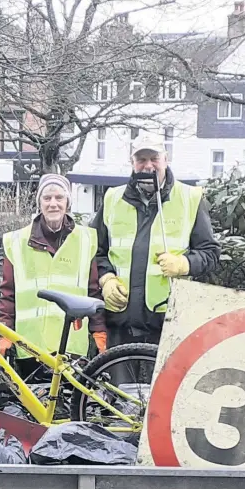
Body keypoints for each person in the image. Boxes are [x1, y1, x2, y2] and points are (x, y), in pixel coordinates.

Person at [92, 136, 220, 347]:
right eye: (141, 159)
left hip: (167, 321)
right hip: (119, 322)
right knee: (115, 382)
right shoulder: (112, 199)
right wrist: (106, 278)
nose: (148, 165)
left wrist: (184, 264)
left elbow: (210, 253)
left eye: (154, 158)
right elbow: (94, 250)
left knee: (166, 382)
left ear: (166, 160)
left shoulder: (190, 198)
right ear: (132, 163)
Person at [0, 173, 106, 378]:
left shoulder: (86, 239)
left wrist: (98, 331)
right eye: (47, 198)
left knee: (69, 406)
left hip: (72, 344)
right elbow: (8, 293)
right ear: (39, 202)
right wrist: (5, 333)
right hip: (30, 346)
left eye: (59, 198)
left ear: (68, 202)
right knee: (36, 408)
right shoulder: (16, 241)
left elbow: (94, 290)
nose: (53, 204)